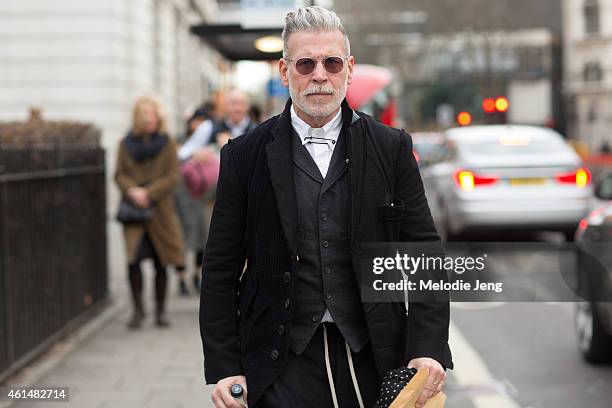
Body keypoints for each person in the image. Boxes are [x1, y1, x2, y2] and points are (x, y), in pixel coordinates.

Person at [199, 6, 453, 408]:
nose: (320, 74)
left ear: (348, 68)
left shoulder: (392, 148)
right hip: (278, 357)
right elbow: (220, 268)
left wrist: (428, 347)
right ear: (285, 72)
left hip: (375, 354)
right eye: (305, 63)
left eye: (332, 62)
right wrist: (225, 365)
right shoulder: (243, 156)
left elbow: (425, 253)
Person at [115, 95, 186, 328]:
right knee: (132, 261)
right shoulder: (125, 144)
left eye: (153, 114)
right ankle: (137, 310)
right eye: (145, 115)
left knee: (161, 261)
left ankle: (161, 311)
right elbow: (119, 174)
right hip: (134, 213)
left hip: (160, 212)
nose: (150, 119)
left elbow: (173, 175)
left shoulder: (167, 143)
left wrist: (149, 192)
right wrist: (133, 191)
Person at [174, 106, 216, 295]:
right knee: (180, 239)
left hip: (203, 199)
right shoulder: (180, 142)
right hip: (182, 197)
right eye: (195, 121)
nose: (198, 125)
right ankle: (181, 278)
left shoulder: (210, 144)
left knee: (202, 239)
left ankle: (197, 276)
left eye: (202, 122)